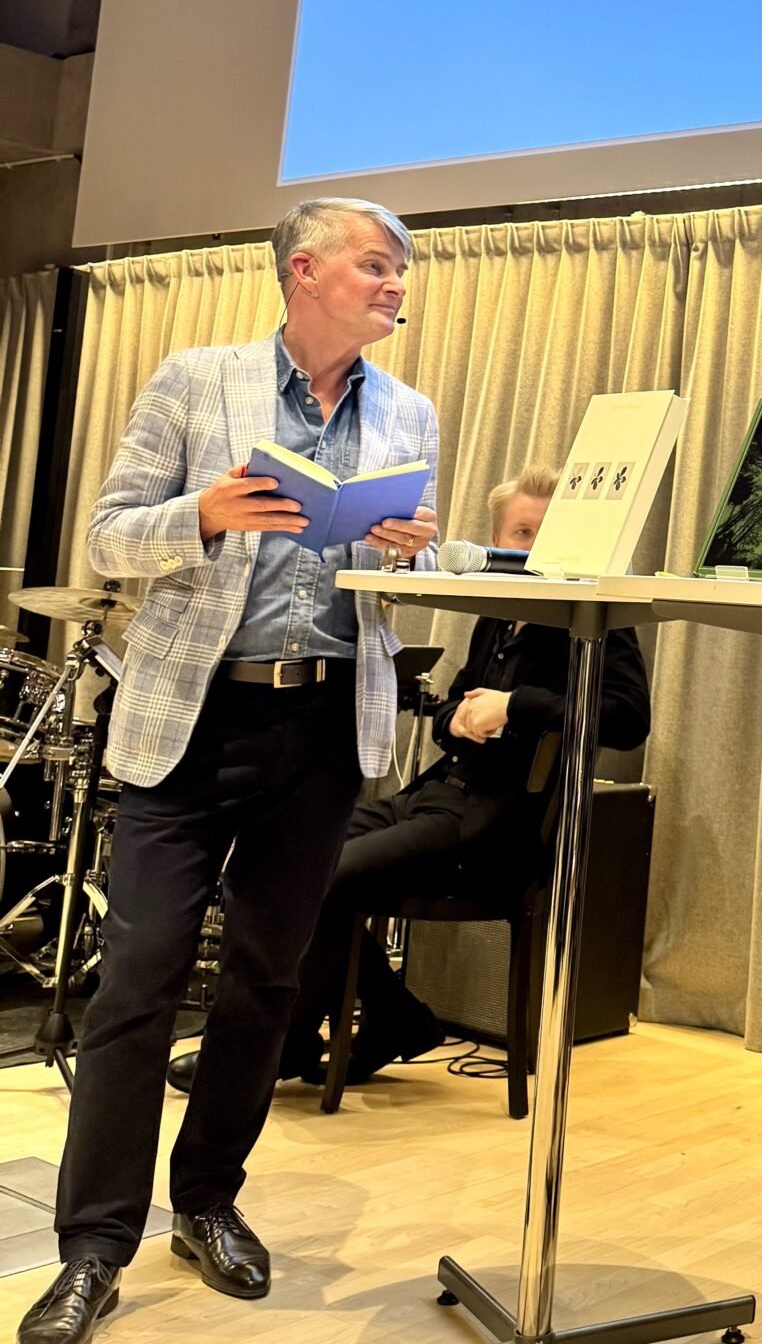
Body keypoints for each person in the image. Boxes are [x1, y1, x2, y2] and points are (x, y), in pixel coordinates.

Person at [14, 199, 438, 1344]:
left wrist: (414, 552)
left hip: (325, 724)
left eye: (401, 271)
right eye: (376, 265)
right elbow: (105, 538)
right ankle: (93, 1247)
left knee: (264, 979)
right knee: (139, 978)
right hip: (192, 721)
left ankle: (206, 1199)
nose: (396, 285)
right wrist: (200, 514)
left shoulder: (408, 411)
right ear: (305, 270)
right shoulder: (197, 380)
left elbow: (408, 567)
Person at [164, 463, 649, 1094]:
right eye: (521, 533)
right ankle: (394, 1017)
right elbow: (449, 709)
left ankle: (281, 1046)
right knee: (278, 869)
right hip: (435, 796)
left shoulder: (593, 613)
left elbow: (628, 718)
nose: (533, 548)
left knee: (326, 880)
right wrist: (458, 720)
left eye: (546, 533)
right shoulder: (498, 611)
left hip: (497, 824)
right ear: (496, 539)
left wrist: (514, 707)